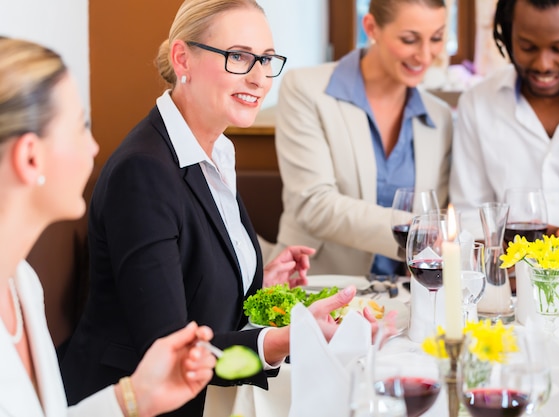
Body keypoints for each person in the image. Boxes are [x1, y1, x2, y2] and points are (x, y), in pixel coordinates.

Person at [59, 1, 369, 415]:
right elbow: (172, 353)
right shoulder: (144, 171)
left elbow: (194, 282)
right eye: (239, 57)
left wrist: (255, 282)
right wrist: (286, 338)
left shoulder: (216, 150)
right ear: (182, 57)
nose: (260, 78)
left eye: (267, 59)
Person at [0, 36, 216, 417]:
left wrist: (134, 396)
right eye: (81, 126)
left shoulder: (22, 282)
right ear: (30, 157)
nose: (95, 147)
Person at [269, 0, 453, 277]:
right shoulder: (305, 89)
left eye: (436, 38)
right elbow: (314, 204)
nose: (425, 56)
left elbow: (432, 216)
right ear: (371, 28)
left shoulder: (439, 117)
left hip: (402, 295)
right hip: (315, 285)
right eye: (409, 40)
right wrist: (414, 228)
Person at [449, 0, 559, 238]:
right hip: (512, 274)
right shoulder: (478, 102)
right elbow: (467, 214)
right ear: (509, 34)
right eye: (528, 47)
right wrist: (508, 244)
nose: (543, 64)